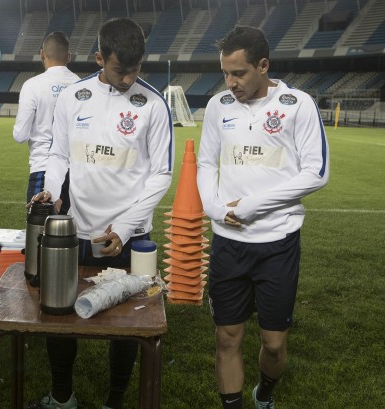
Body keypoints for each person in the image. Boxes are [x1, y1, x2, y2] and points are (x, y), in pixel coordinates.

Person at [28, 17, 174, 409]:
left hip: (129, 237)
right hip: (75, 232)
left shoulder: (154, 106)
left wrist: (125, 228)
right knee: (58, 317)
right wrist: (51, 194)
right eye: (119, 70)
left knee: (126, 326)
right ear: (98, 59)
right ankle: (62, 397)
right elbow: (58, 154)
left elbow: (161, 174)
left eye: (136, 69)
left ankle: (114, 401)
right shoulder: (72, 97)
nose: (128, 79)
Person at [196, 26, 330, 409]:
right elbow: (205, 163)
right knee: (227, 337)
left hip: (277, 244)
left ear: (263, 65)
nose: (230, 82)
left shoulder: (297, 103)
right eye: (225, 73)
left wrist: (254, 206)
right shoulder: (218, 107)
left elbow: (316, 172)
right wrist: (215, 208)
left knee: (273, 343)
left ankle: (265, 393)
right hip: (229, 244)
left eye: (238, 73)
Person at [13, 31, 79, 214]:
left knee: (39, 235)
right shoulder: (81, 86)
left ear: (42, 54)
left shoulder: (32, 85)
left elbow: (20, 135)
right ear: (68, 56)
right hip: (76, 174)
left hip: (42, 168)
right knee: (70, 234)